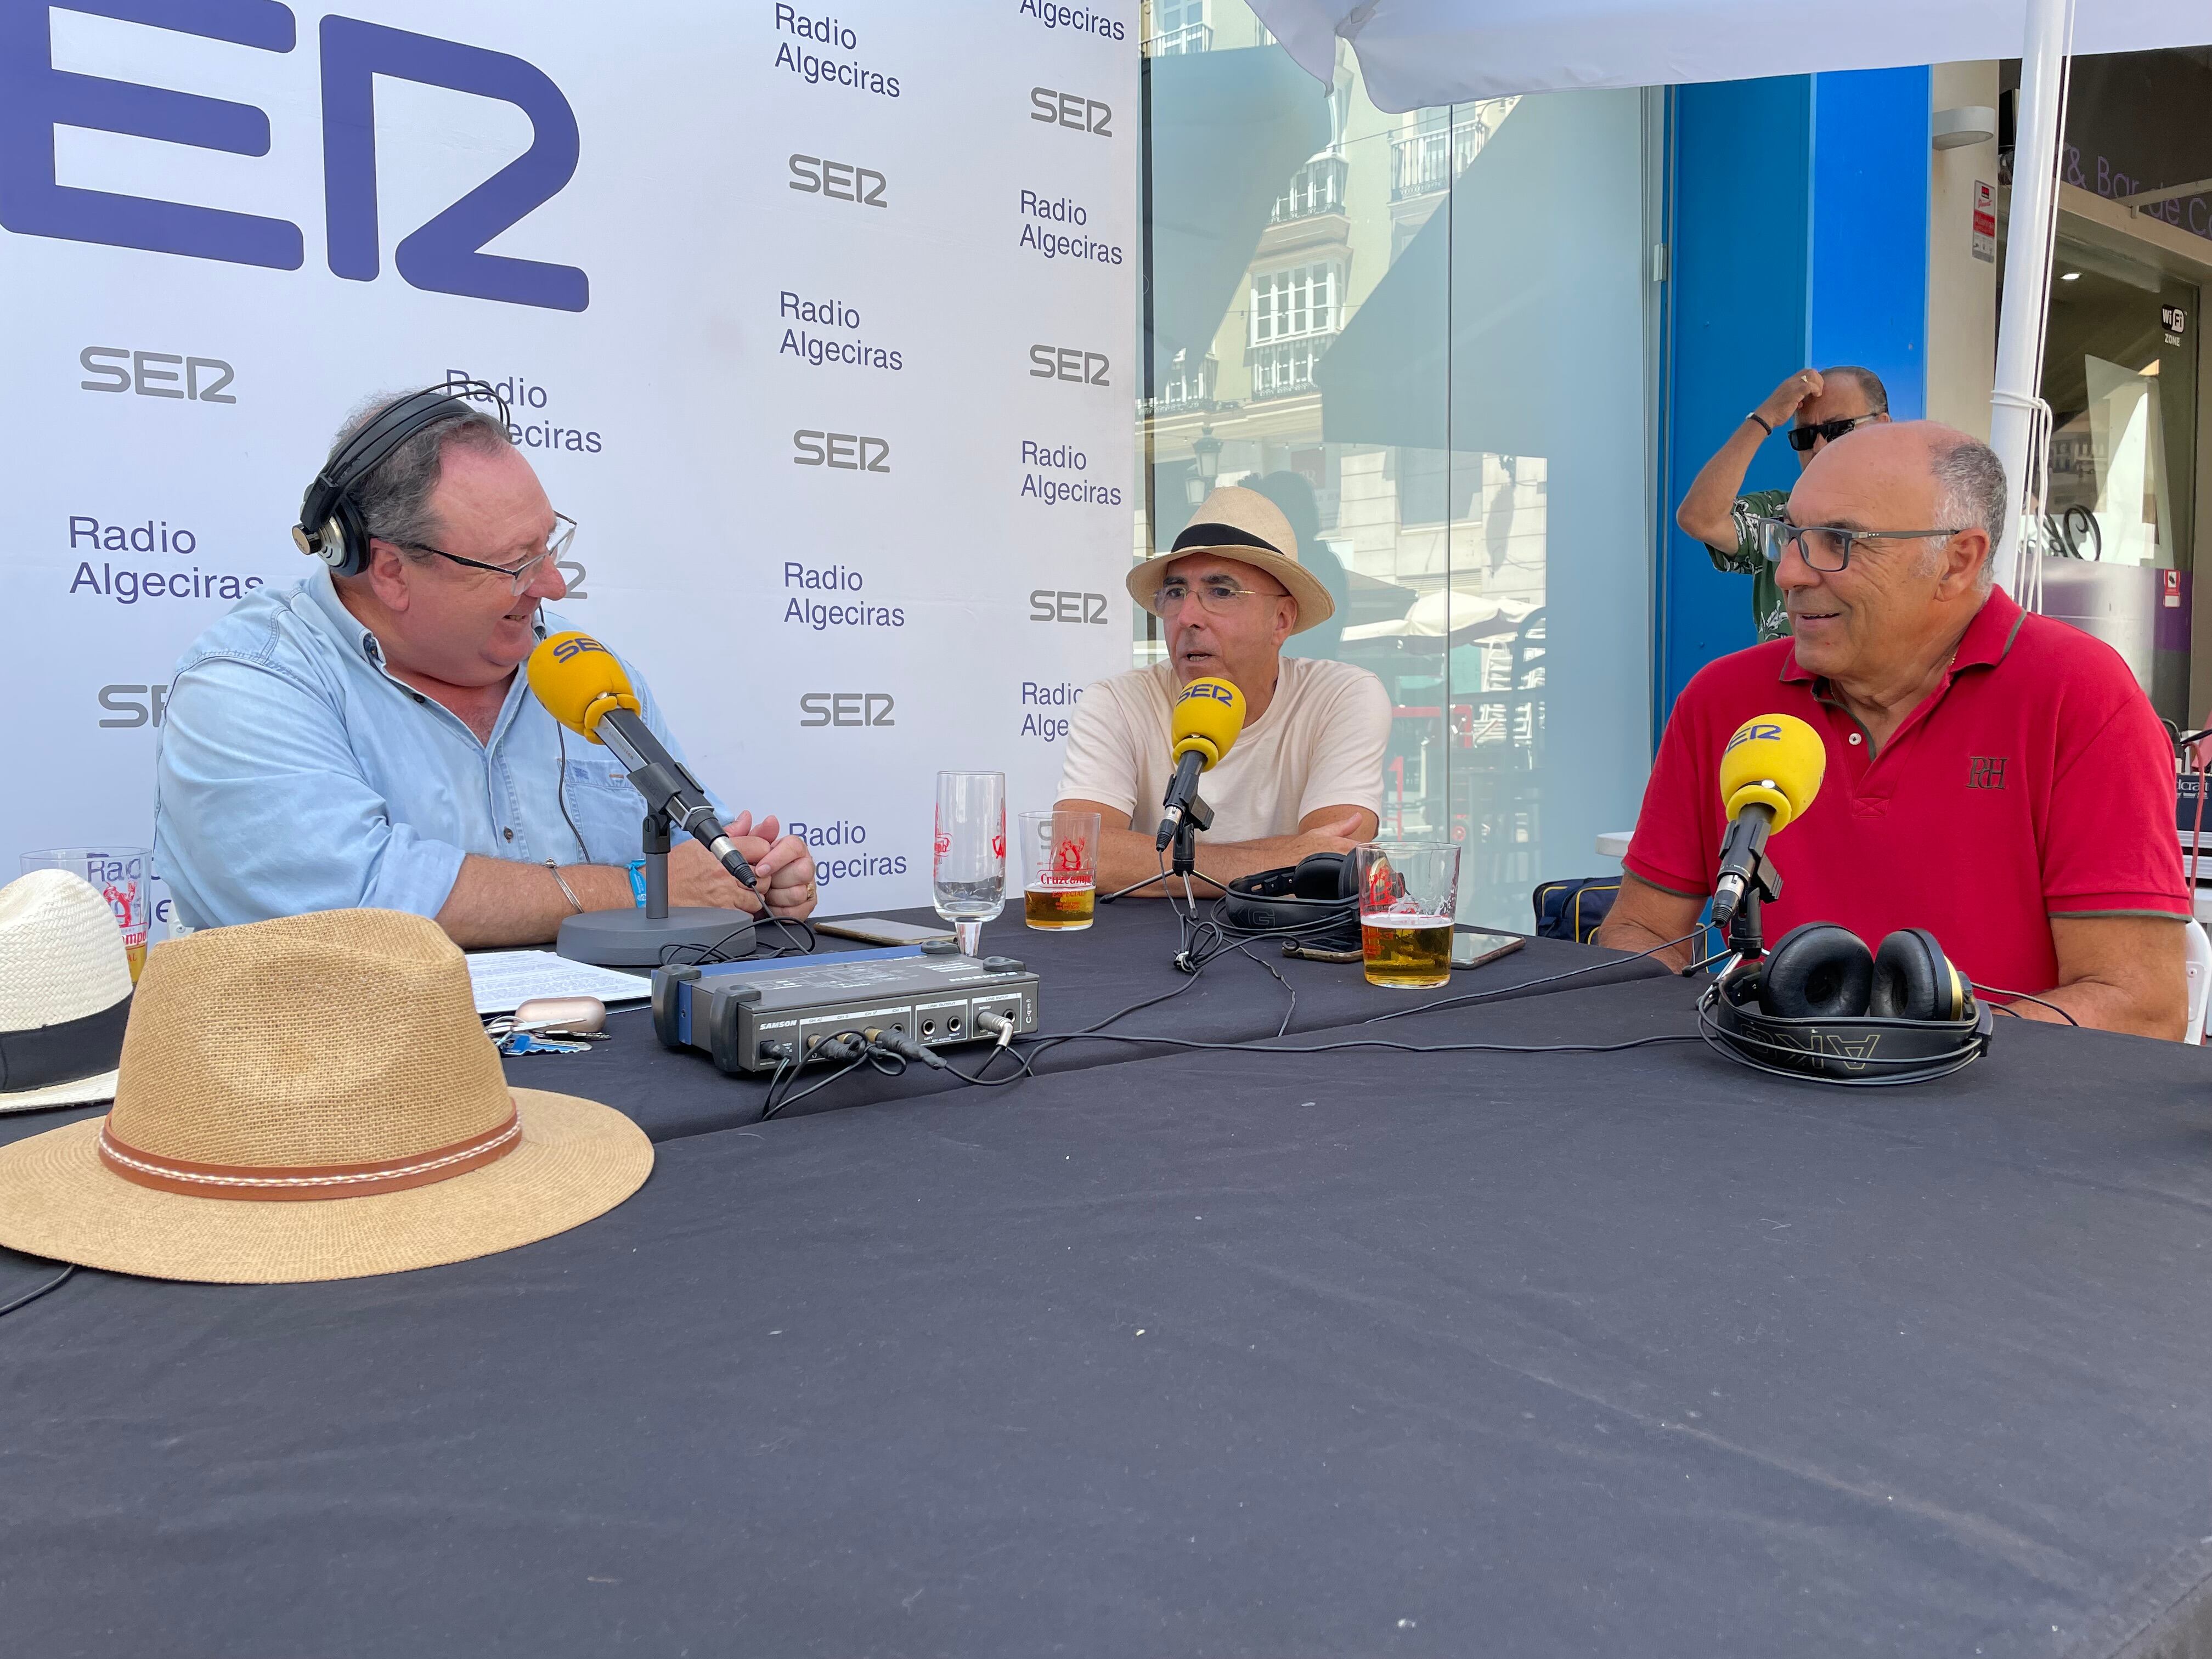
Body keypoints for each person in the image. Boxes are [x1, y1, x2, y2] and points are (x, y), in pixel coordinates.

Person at [155, 388, 817, 945]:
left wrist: (755, 873)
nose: (553, 585)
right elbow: (360, 900)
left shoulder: (580, 667)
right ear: (390, 571)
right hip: (352, 1085)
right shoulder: (246, 683)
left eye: (550, 546)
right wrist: (643, 889)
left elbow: (704, 859)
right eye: (518, 563)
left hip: (623, 1066)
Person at [1600, 421, 2189, 1039]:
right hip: (1754, 1093)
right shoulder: (1723, 699)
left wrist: (1903, 1058)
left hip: (1989, 1113)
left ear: (1958, 561)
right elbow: (1642, 934)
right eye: (1791, 537)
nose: (1790, 574)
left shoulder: (2081, 697)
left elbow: (2139, 1007)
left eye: (1838, 541)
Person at [1056, 485, 1390, 896]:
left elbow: (1333, 866)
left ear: (1281, 620)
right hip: (1142, 952)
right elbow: (1077, 855)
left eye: (1221, 591)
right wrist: (1279, 861)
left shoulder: (1342, 695)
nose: (1188, 617)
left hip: (1288, 949)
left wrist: (1151, 864)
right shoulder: (1117, 701)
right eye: (1176, 593)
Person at [1677, 366, 1892, 642]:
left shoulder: (1922, 517)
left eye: (1838, 430)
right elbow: (1698, 518)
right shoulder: (1778, 519)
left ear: (1882, 427)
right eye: (1805, 436)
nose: (1819, 448)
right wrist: (1764, 418)